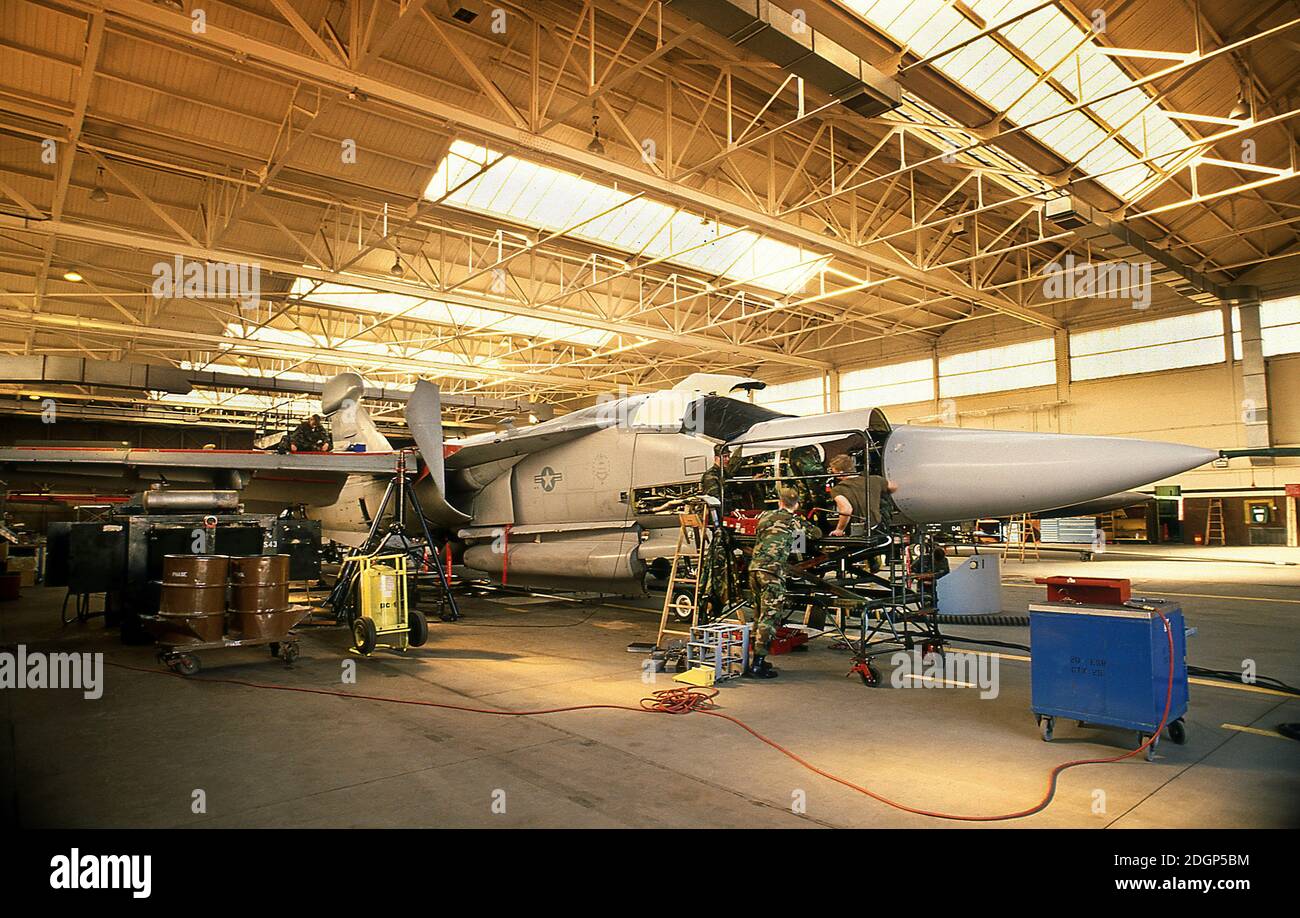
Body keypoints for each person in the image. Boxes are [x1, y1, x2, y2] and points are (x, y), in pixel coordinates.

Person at [745, 486, 822, 679]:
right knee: (769, 619)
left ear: (779, 501)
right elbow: (817, 533)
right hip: (772, 573)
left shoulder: (765, 517)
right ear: (796, 504)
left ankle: (753, 659)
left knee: (758, 615)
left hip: (754, 570)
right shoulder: (795, 521)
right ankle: (758, 665)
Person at [826, 453, 892, 537]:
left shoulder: (839, 489)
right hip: (879, 528)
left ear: (840, 472)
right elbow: (893, 487)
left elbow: (846, 510)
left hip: (859, 531)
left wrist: (839, 529)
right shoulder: (875, 480)